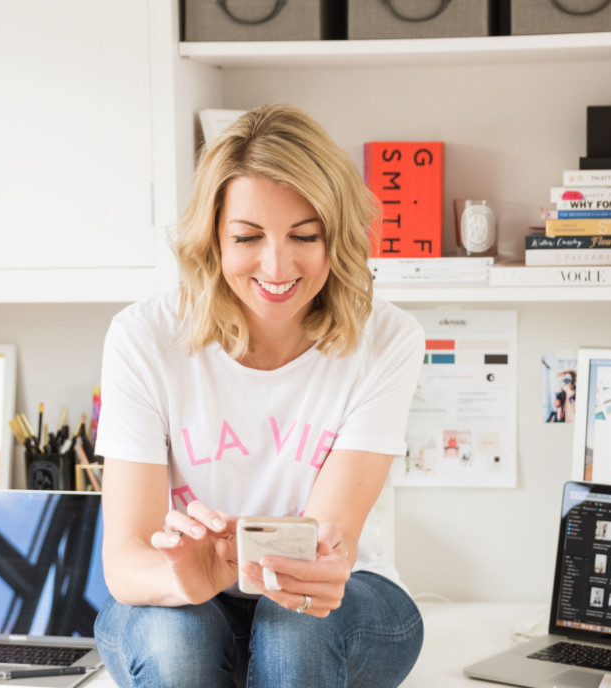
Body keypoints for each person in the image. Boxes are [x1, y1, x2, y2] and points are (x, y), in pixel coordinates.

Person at [91, 104, 426, 687]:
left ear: (336, 236)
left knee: (293, 626)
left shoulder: (388, 340)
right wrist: (185, 579)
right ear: (213, 238)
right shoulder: (143, 339)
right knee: (177, 641)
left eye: (304, 235)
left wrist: (252, 563)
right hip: (192, 598)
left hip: (340, 597)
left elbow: (318, 548)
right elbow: (126, 562)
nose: (277, 265)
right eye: (247, 237)